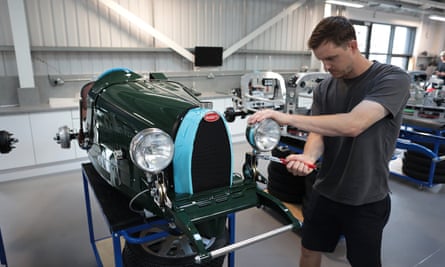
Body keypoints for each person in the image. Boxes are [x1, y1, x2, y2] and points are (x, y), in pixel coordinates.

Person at [248, 16, 410, 267]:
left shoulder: (391, 79)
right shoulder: (324, 88)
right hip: (324, 192)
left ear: (352, 46)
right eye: (322, 59)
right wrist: (309, 157)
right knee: (309, 251)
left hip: (366, 198)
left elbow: (354, 124)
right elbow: (319, 132)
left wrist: (286, 118)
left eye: (331, 58)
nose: (326, 66)